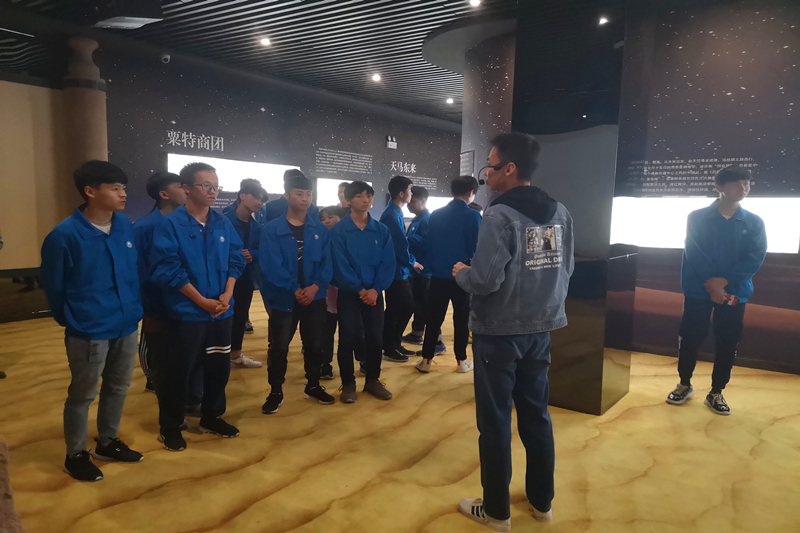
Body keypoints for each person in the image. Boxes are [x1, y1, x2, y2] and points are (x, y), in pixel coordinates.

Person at [453, 133, 574, 529]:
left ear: (508, 169)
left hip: (498, 333)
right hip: (541, 330)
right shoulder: (560, 212)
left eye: (489, 165)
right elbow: (566, 269)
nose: (485, 173)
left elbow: (485, 280)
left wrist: (462, 273)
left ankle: (496, 511)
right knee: (537, 416)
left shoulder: (499, 215)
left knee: (495, 423)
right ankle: (542, 503)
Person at [41, 161, 145, 482]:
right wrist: (74, 319)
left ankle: (107, 442)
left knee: (118, 387)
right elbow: (54, 287)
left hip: (127, 322)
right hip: (89, 327)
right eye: (115, 188)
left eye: (123, 188)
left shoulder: (124, 225)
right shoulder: (64, 236)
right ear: (90, 191)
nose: (123, 194)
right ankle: (75, 454)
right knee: (83, 394)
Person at [150, 162, 246, 452]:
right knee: (178, 371)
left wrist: (227, 293)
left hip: (221, 311)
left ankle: (211, 417)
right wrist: (201, 301)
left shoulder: (222, 223)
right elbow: (167, 268)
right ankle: (171, 426)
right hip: (186, 313)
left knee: (218, 368)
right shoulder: (170, 224)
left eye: (215, 186)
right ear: (186, 188)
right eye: (205, 186)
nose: (212, 191)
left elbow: (236, 258)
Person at [666, 166, 767, 415]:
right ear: (719, 187)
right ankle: (684, 384)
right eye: (737, 183)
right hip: (699, 289)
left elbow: (755, 256)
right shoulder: (697, 217)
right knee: (690, 337)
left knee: (728, 340)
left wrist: (724, 282)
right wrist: (713, 285)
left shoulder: (754, 221)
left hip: (735, 291)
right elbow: (694, 251)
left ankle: (716, 392)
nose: (743, 188)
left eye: (746, 183)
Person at [259, 173, 336, 414]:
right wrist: (294, 288)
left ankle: (313, 385)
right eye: (299, 194)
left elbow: (327, 262)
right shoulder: (272, 229)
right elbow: (271, 265)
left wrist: (315, 287)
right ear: (287, 196)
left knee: (314, 345)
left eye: (308, 194)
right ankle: (275, 391)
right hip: (284, 298)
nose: (304, 198)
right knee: (279, 348)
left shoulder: (319, 229)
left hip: (314, 297)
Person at [330, 181, 395, 403]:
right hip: (350, 293)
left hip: (374, 294)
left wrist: (376, 289)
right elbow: (339, 264)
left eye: (369, 195)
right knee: (348, 338)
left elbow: (388, 263)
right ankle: (348, 384)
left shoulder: (381, 230)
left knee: (375, 338)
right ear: (348, 200)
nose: (365, 200)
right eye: (359, 196)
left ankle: (373, 380)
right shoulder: (339, 231)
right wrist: (359, 289)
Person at [416, 176, 482, 374]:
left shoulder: (436, 214)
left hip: (438, 275)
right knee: (461, 319)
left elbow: (429, 243)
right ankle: (461, 361)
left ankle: (426, 360)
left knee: (433, 319)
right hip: (463, 276)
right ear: (471, 192)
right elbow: (478, 246)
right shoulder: (474, 216)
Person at [134, 172, 188, 395]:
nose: (186, 189)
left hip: (184, 296)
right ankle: (152, 378)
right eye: (180, 186)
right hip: (155, 298)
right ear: (164, 194)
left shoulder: (188, 222)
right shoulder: (144, 227)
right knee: (154, 340)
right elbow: (139, 268)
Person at [379, 175, 423, 362]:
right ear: (401, 193)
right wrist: (412, 261)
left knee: (401, 307)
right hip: (396, 271)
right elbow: (399, 245)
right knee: (401, 307)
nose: (411, 194)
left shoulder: (394, 212)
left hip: (399, 270)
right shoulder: (391, 215)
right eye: (409, 190)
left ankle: (393, 343)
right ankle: (388, 346)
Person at [224, 179, 267, 369]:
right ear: (242, 196)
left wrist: (252, 254)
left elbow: (262, 250)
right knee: (221, 317)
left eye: (262, 200)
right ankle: (218, 356)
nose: (259, 202)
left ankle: (235, 355)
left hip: (246, 276)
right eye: (256, 197)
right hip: (223, 277)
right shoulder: (223, 220)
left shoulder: (257, 226)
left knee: (241, 316)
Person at [400, 186, 443, 353]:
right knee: (418, 305)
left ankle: (437, 343)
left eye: (412, 201)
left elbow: (429, 243)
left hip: (425, 271)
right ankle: (417, 333)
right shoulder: (417, 219)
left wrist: (408, 239)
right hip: (416, 270)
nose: (409, 204)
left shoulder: (428, 220)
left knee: (428, 307)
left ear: (423, 201)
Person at [319, 205, 348, 380]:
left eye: (330, 217)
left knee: (351, 330)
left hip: (348, 290)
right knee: (327, 330)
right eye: (323, 219)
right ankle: (325, 364)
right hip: (327, 292)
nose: (326, 221)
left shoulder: (349, 237)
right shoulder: (321, 239)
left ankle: (361, 360)